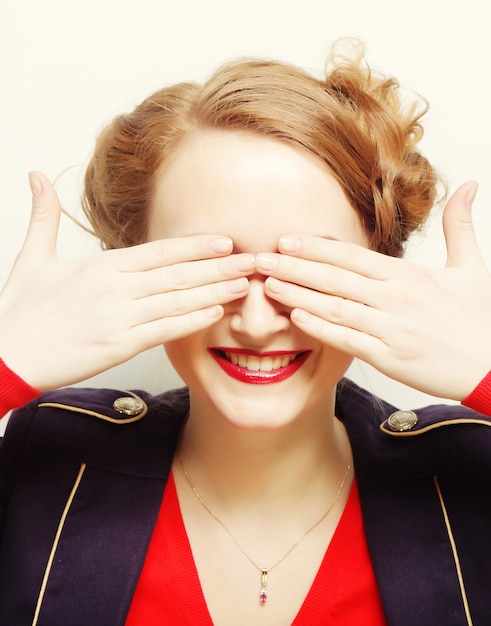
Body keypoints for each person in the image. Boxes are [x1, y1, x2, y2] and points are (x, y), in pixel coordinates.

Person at [0, 41, 491, 626]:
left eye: (308, 273)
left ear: (383, 271)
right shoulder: (44, 455)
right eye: (212, 269)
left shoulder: (470, 470)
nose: (257, 324)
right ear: (129, 265)